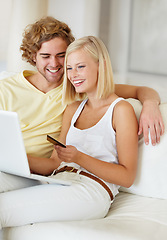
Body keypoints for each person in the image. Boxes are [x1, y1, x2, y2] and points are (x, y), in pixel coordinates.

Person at [0, 36, 138, 227]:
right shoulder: (73, 109)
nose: (73, 75)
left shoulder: (121, 110)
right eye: (70, 68)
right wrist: (10, 158)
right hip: (58, 179)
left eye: (80, 67)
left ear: (102, 66)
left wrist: (79, 158)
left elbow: (127, 177)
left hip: (92, 189)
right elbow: (53, 163)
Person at [0, 17, 164, 161]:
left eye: (61, 55)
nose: (54, 63)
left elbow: (141, 90)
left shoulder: (79, 86)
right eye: (45, 56)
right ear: (33, 56)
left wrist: (150, 105)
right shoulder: (6, 88)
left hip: (37, 170)